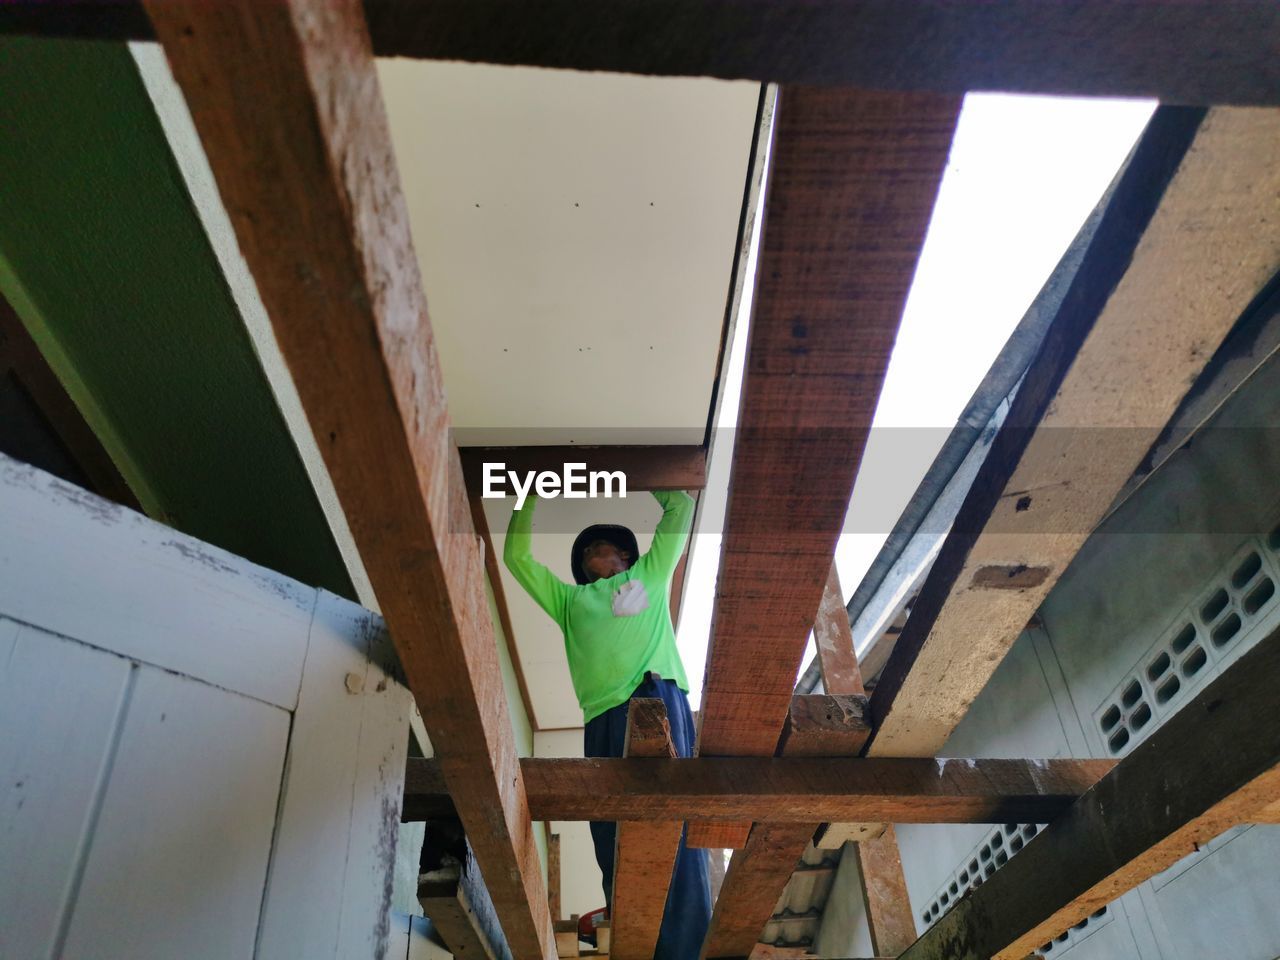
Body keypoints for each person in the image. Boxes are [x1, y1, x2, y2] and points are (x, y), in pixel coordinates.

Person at [504, 489, 710, 958]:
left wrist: (641, 475)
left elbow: (681, 506)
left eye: (606, 545)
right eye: (586, 548)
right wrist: (525, 495)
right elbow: (516, 557)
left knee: (677, 824)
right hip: (600, 717)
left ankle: (691, 947)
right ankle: (642, 939)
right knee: (608, 826)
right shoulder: (569, 601)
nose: (594, 549)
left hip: (657, 696)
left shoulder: (649, 574)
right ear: (581, 566)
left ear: (625, 555)